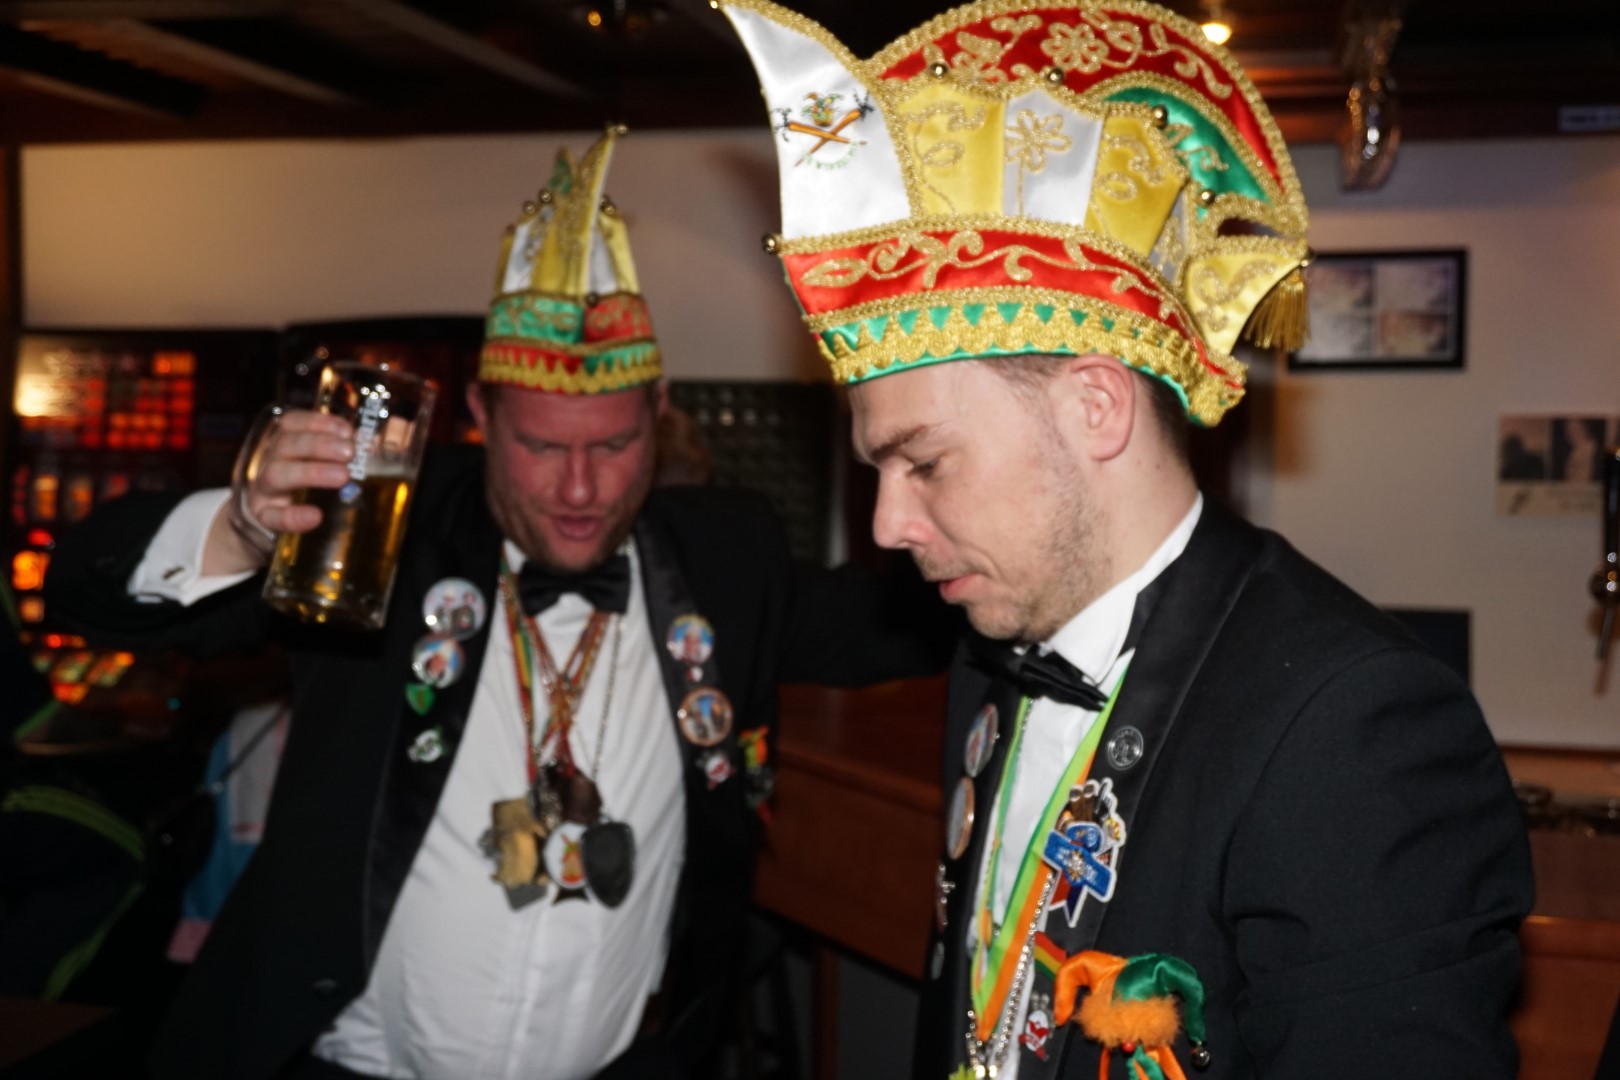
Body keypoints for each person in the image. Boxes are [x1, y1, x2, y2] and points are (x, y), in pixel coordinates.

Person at [719, 2, 1534, 1077]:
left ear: (1095, 407)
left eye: (926, 461)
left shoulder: (1358, 729)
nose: (888, 525)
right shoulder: (994, 648)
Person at [46, 126, 952, 1080]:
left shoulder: (730, 556)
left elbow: (896, 626)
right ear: (481, 417)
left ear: (658, 415)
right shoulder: (383, 530)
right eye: (541, 447)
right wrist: (240, 527)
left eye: (612, 446)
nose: (579, 489)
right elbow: (87, 591)